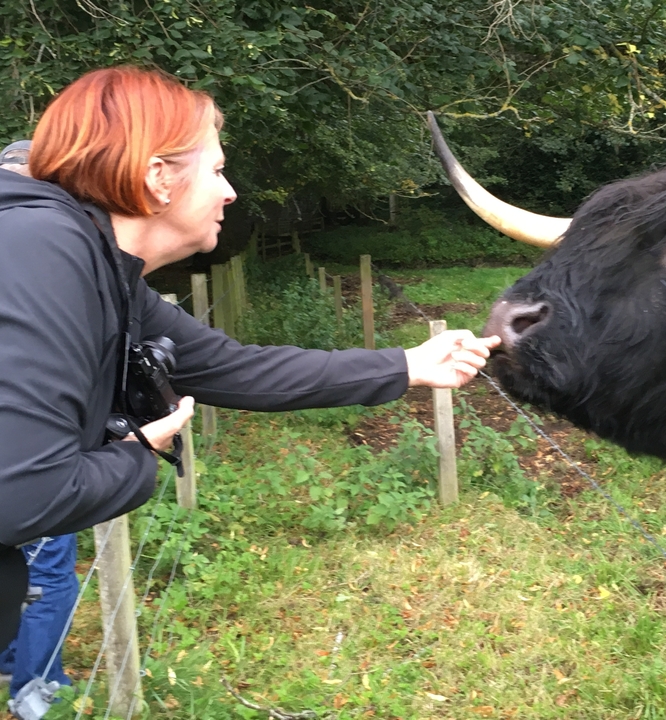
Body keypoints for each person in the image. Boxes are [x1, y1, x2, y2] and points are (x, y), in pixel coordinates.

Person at [0, 66, 500, 695]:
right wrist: (137, 459)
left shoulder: (99, 267)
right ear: (158, 177)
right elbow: (26, 496)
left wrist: (408, 365)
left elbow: (234, 366)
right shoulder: (40, 250)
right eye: (216, 170)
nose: (230, 192)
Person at [0, 142, 77, 703]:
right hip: (30, 437)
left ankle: (10, 659)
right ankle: (37, 690)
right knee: (49, 569)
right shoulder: (44, 246)